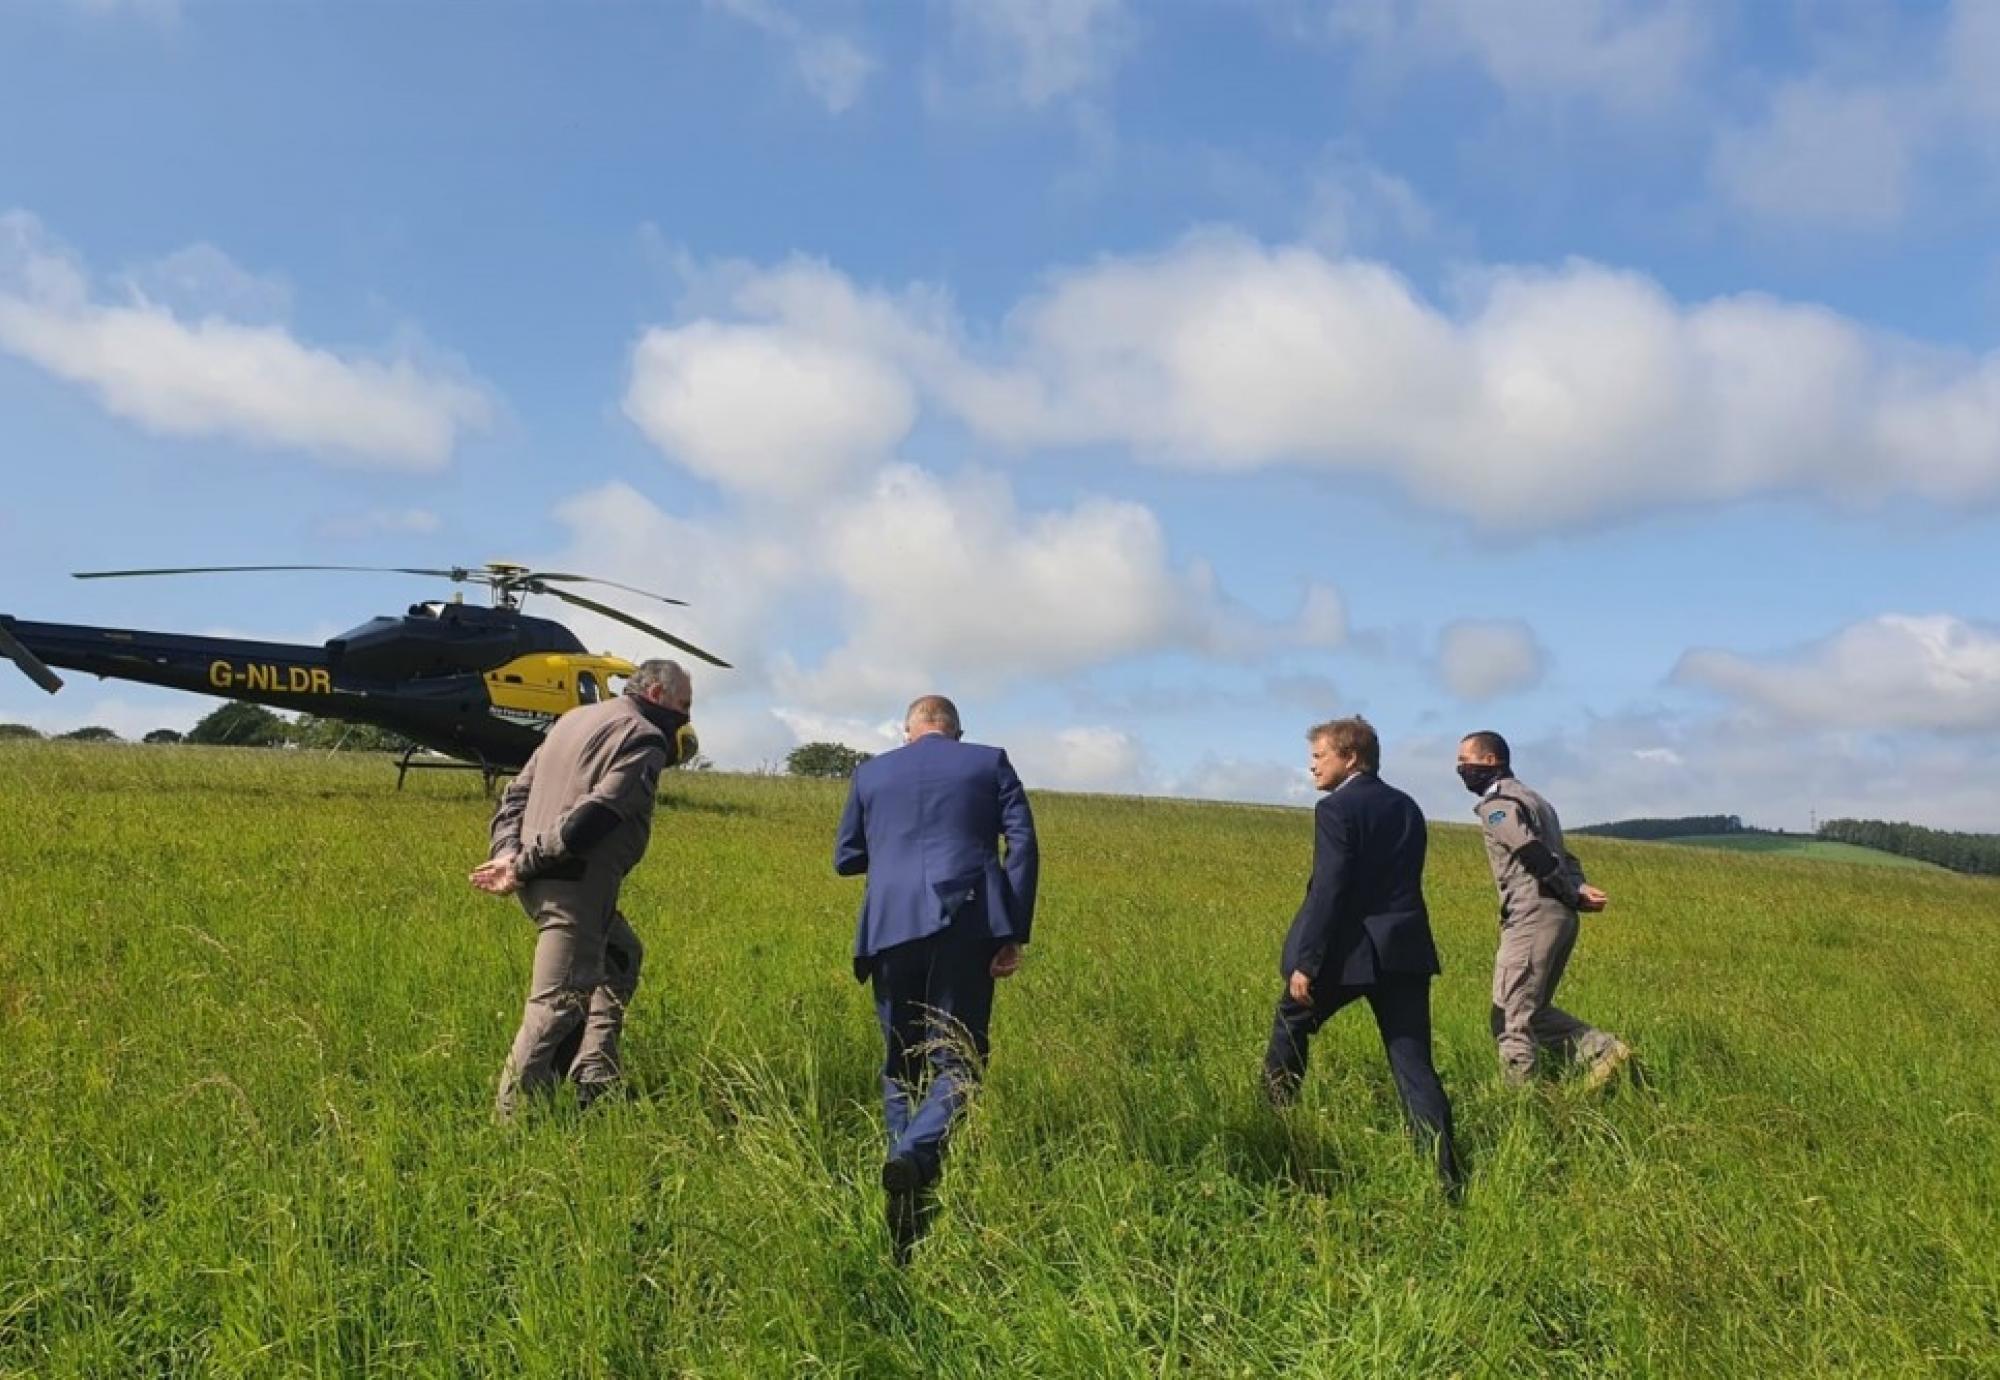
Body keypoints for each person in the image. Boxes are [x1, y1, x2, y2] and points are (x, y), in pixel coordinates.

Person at [833, 694, 1038, 1264]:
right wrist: (1011, 928)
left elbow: (846, 858)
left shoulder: (871, 772)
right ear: (956, 731)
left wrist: (897, 851)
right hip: (967, 922)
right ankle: (917, 1159)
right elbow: (1022, 844)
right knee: (961, 1058)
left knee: (902, 1061)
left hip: (890, 927)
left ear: (908, 732)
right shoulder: (989, 761)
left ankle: (902, 1183)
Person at [470, 658, 699, 1119]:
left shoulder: (573, 719)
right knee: (556, 1004)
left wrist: (507, 851)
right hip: (572, 886)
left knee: (621, 956)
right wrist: (523, 863)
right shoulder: (644, 736)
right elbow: (597, 815)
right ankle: (512, 1124)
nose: (686, 716)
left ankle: (593, 1075)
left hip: (545, 879)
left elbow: (515, 793)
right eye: (684, 704)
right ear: (656, 696)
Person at [1263, 716, 1461, 1194]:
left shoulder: (1336, 810)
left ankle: (1274, 1127)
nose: (1312, 767)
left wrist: (1307, 962)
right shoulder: (1408, 806)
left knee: (1291, 1022)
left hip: (1351, 954)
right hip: (1406, 952)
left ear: (1350, 757)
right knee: (1413, 1065)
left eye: (1319, 757)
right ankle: (1446, 1178)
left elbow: (1331, 889)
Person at [1455, 730, 1632, 1090]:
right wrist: (1577, 889)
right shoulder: (1538, 801)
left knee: (1509, 1017)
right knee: (1532, 1012)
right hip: (1557, 915)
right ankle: (1600, 1050)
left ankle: (1520, 1103)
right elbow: (1565, 857)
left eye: (1464, 761)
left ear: (1490, 761)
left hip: (1531, 915)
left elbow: (1531, 853)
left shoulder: (1497, 805)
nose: (1459, 769)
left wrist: (1570, 892)